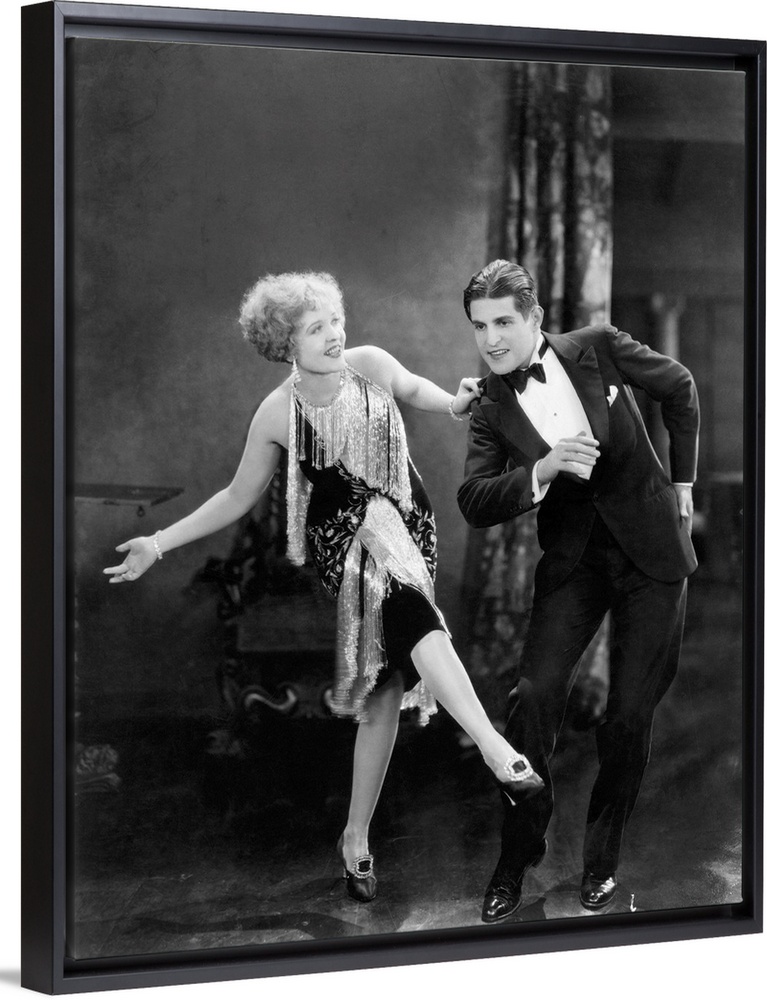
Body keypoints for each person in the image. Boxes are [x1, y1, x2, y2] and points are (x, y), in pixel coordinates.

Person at [104, 270, 543, 905]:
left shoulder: (370, 364)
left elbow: (413, 388)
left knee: (386, 690)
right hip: (346, 541)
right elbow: (236, 496)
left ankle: (355, 835)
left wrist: (454, 402)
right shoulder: (276, 413)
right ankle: (498, 752)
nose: (335, 334)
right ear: (285, 343)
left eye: (335, 319)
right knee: (410, 613)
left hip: (410, 526)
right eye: (316, 329)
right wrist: (158, 541)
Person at [456, 259, 699, 922]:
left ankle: (601, 861)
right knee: (532, 698)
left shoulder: (598, 345)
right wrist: (541, 469)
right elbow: (473, 500)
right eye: (479, 326)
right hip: (574, 564)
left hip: (651, 553)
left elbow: (678, 386)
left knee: (628, 715)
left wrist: (682, 482)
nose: (491, 339)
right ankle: (515, 857)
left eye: (503, 322)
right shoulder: (488, 405)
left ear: (534, 317)